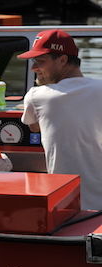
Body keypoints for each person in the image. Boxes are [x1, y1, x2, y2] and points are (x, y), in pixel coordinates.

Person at [18, 28, 102, 210]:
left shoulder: (36, 96)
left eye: (40, 62)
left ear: (63, 60)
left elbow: (34, 127)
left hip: (66, 206)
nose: (34, 68)